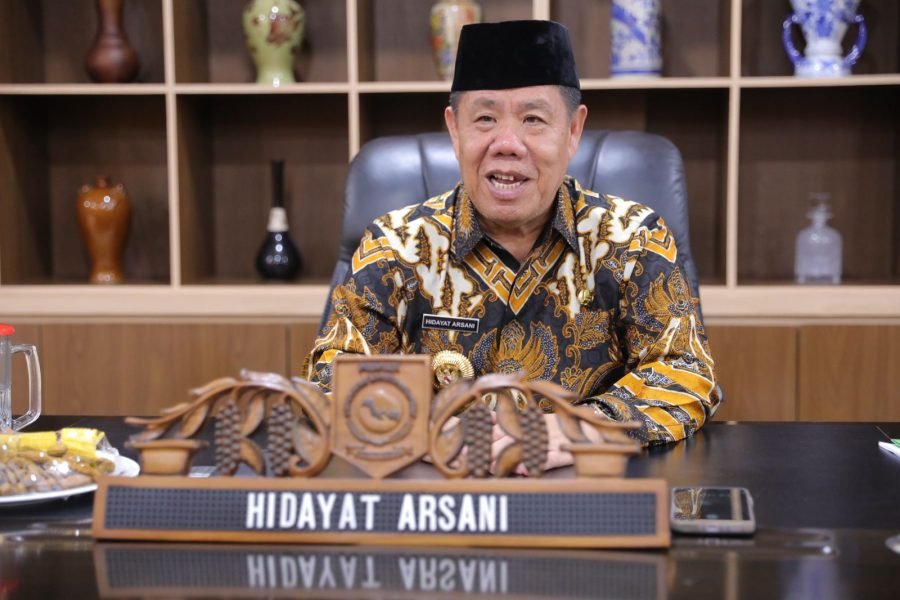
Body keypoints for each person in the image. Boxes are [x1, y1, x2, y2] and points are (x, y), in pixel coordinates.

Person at [304, 20, 720, 467]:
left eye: (533, 120)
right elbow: (332, 380)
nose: (507, 144)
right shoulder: (395, 246)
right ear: (454, 130)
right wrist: (429, 432)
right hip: (442, 490)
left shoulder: (631, 238)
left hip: (583, 490)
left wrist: (582, 427)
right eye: (485, 119)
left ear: (573, 131)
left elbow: (685, 371)